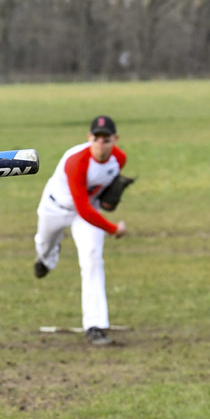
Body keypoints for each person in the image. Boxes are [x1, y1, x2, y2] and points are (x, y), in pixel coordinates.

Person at [31, 115, 129, 346]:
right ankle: (47, 260)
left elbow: (91, 202)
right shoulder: (76, 161)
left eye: (107, 139)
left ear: (115, 139)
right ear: (90, 137)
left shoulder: (119, 159)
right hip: (56, 207)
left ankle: (95, 325)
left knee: (93, 259)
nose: (102, 143)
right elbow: (83, 208)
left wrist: (106, 200)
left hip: (86, 211)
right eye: (97, 138)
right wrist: (113, 228)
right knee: (44, 246)